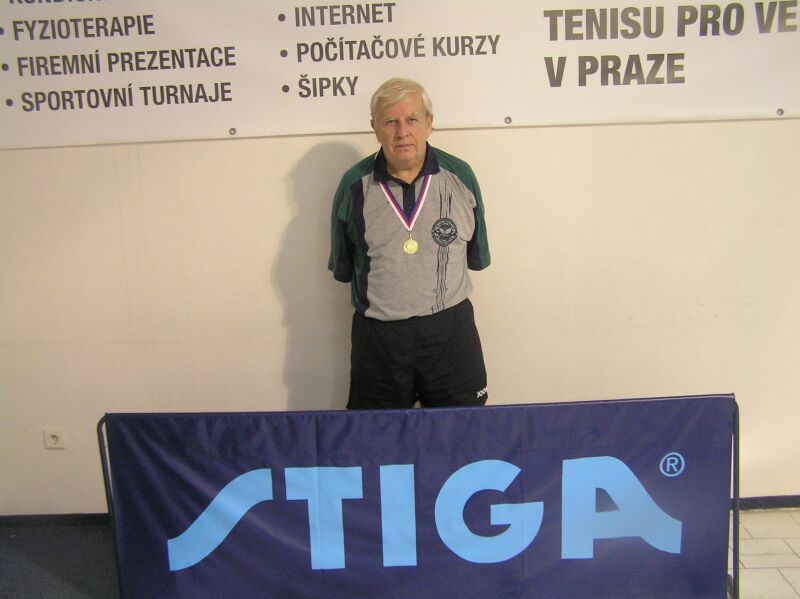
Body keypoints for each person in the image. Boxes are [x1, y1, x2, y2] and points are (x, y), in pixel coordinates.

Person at [328, 78, 490, 409]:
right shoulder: (354, 185)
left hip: (451, 334)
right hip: (379, 339)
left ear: (429, 123)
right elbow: (345, 267)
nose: (402, 132)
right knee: (378, 435)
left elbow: (476, 255)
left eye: (412, 119)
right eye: (390, 121)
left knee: (462, 431)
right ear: (375, 127)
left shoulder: (461, 177)